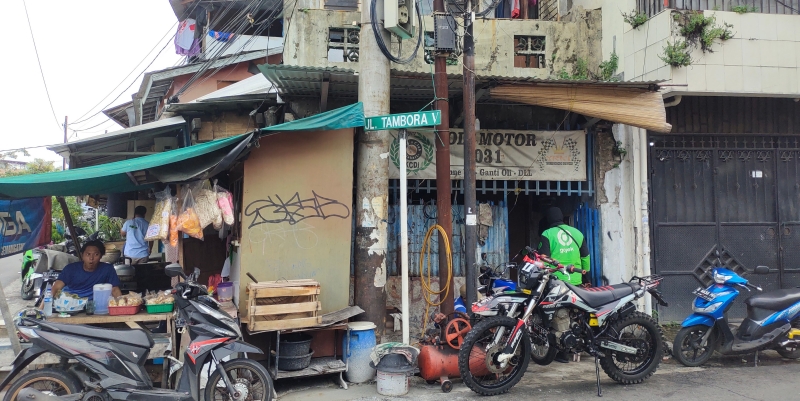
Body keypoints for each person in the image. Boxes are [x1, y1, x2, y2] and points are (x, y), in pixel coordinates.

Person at [537, 206, 590, 363]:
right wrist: (585, 276)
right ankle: (578, 344)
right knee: (576, 313)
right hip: (576, 281)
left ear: (548, 220)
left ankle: (563, 352)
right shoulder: (577, 233)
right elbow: (586, 257)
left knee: (558, 315)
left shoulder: (547, 234)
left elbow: (542, 259)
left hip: (556, 282)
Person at [51, 240, 122, 300]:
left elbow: (115, 290)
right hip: (70, 305)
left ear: (101, 256)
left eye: (96, 254)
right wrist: (42, 309)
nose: (91, 258)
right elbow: (56, 288)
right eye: (88, 254)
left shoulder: (107, 269)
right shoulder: (70, 269)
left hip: (95, 307)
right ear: (82, 255)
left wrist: (122, 306)